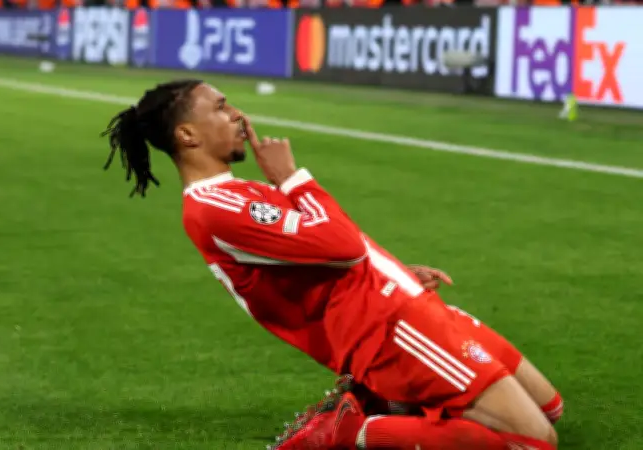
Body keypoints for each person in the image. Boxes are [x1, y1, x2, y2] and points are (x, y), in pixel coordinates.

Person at [100, 79, 562, 450]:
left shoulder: (240, 193)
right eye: (221, 107)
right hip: (391, 330)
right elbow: (342, 246)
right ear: (187, 135)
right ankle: (350, 429)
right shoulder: (215, 209)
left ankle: (385, 402)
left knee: (551, 408)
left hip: (404, 304)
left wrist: (396, 271)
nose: (238, 114)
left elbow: (328, 252)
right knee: (533, 442)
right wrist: (292, 177)